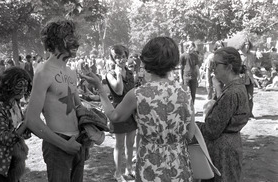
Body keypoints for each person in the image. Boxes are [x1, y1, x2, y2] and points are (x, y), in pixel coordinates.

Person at [81, 36, 196, 182]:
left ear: (147, 61)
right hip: (179, 164)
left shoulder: (138, 94)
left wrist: (100, 88)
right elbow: (190, 133)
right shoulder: (185, 92)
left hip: (150, 165)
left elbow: (114, 116)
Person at [25, 19, 86, 182]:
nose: (78, 43)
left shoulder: (71, 72)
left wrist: (88, 131)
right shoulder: (43, 71)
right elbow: (31, 119)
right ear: (57, 41)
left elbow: (76, 107)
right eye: (71, 38)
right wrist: (64, 145)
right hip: (58, 147)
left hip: (78, 143)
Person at [197, 47, 250, 182]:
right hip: (229, 148)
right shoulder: (237, 87)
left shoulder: (232, 92)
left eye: (216, 64)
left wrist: (192, 125)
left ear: (229, 67)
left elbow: (211, 130)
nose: (213, 68)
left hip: (223, 154)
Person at [102, 45, 137, 182]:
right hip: (119, 111)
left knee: (130, 143)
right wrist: (118, 73)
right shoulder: (110, 74)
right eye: (117, 57)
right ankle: (118, 172)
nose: (121, 59)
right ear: (113, 59)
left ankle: (129, 168)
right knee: (119, 144)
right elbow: (118, 90)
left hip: (132, 112)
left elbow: (132, 91)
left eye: (123, 56)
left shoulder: (129, 73)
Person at [239, 39, 256, 117]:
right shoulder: (238, 55)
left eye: (249, 44)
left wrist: (254, 68)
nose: (247, 46)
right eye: (246, 44)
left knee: (250, 96)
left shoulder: (252, 55)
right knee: (241, 97)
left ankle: (250, 113)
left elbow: (254, 65)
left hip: (250, 78)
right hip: (240, 78)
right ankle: (241, 114)